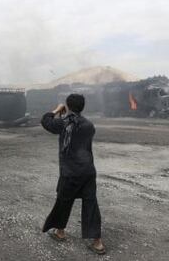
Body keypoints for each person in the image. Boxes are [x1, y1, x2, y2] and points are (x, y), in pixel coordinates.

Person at [41, 94, 105, 255]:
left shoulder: (63, 123)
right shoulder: (89, 125)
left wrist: (57, 109)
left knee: (64, 201)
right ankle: (97, 243)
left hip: (70, 172)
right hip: (88, 171)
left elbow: (45, 120)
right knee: (91, 204)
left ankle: (60, 232)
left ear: (68, 106)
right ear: (82, 106)